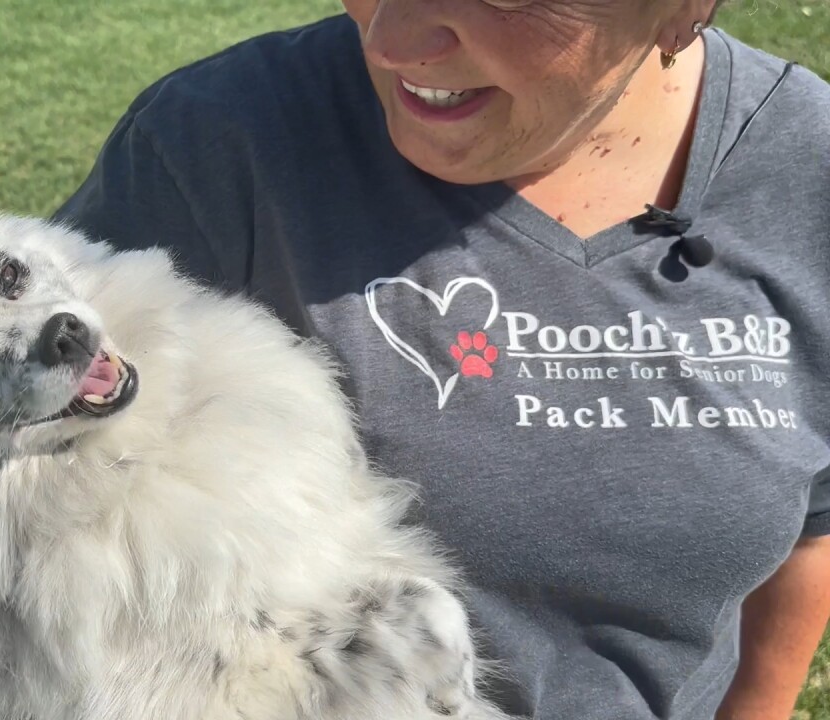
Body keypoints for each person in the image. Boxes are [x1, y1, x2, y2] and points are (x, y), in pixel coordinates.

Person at [50, 1, 830, 718]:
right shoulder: (213, 150)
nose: (389, 42)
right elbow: (14, 493)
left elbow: (814, 523)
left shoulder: (807, 170)